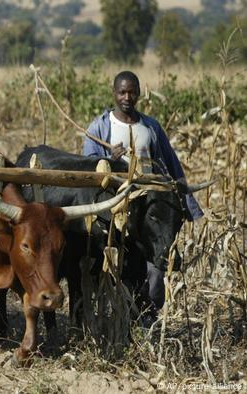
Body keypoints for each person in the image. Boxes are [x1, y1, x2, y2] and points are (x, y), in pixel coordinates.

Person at [82, 70, 202, 326]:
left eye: (132, 91)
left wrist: (188, 205)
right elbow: (87, 168)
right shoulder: (100, 126)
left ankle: (148, 314)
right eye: (122, 92)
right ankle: (119, 314)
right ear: (114, 93)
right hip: (117, 203)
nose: (127, 97)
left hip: (151, 204)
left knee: (157, 262)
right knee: (123, 262)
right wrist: (106, 159)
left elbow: (171, 166)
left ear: (139, 93)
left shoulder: (150, 127)